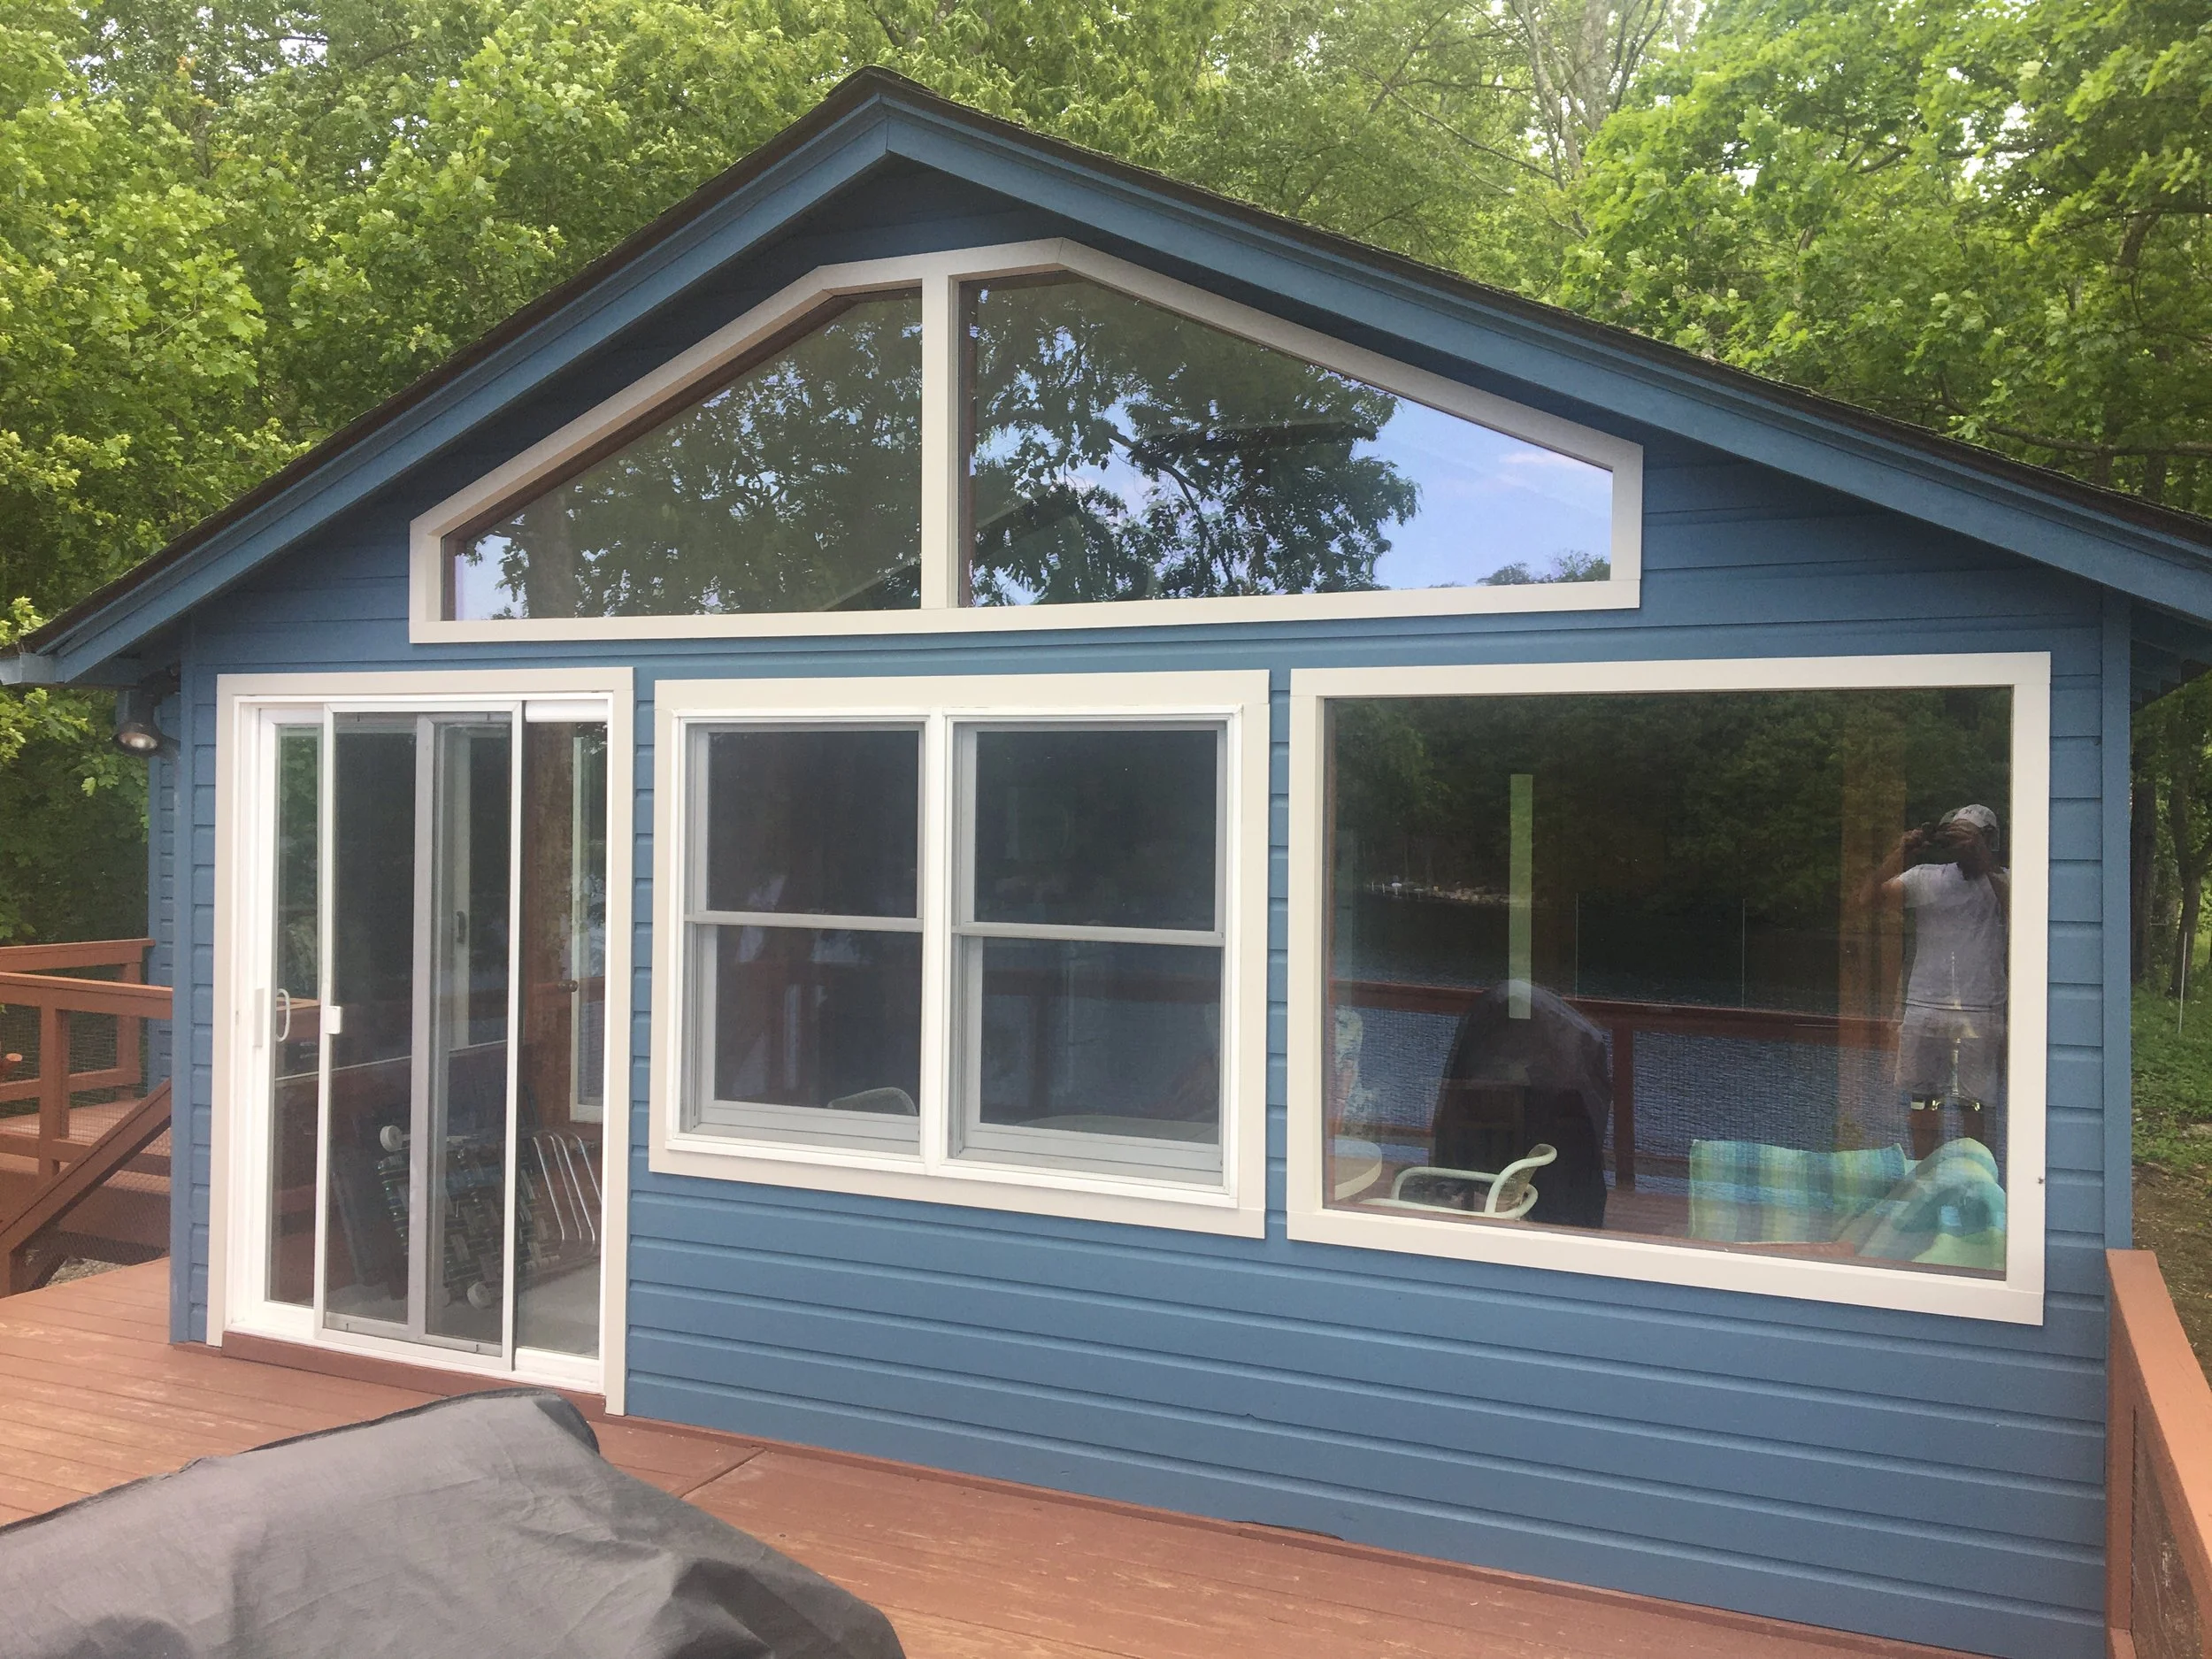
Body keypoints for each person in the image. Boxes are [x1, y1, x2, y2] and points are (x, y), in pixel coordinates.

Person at [1872, 805, 2008, 1159]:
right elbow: (1868, 899)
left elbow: (2021, 914)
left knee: (1975, 1104)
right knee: (1923, 1100)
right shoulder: (1925, 877)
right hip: (1924, 1004)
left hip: (1980, 1008)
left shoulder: (2003, 881)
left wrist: (1984, 859)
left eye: (1970, 837)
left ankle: (1976, 1175)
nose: (1961, 845)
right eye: (1956, 836)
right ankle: (1923, 1171)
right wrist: (1900, 852)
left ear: (1989, 839)